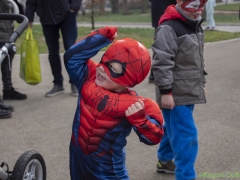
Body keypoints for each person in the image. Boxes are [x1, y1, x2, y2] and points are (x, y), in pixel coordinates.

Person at [64, 26, 164, 180]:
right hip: (77, 158)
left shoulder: (136, 105)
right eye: (104, 61)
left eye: (112, 68)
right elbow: (71, 56)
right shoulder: (87, 77)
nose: (102, 69)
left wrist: (141, 120)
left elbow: (155, 137)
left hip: (107, 167)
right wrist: (103, 36)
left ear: (129, 79)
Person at [151, 0, 208, 179]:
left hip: (188, 89)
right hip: (174, 95)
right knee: (186, 136)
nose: (198, 10)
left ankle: (164, 160)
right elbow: (161, 62)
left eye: (202, 5)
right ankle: (185, 175)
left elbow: (196, 61)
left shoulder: (195, 25)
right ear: (181, 3)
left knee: (173, 128)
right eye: (193, 5)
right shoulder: (169, 28)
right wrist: (166, 92)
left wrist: (201, 84)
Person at [25, 0, 82, 97]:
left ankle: (75, 83)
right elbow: (30, 2)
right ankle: (58, 84)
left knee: (70, 49)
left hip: (67, 14)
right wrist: (29, 17)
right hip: (46, 16)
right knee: (52, 52)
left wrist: (73, 7)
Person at [148, 0, 176, 83]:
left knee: (160, 43)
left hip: (159, 8)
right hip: (168, 9)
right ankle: (158, 73)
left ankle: (154, 73)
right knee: (165, 42)